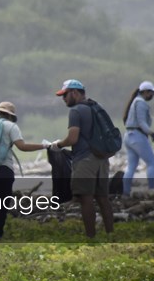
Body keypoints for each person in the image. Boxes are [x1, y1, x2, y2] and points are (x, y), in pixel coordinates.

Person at [0, 102, 47, 242]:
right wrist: (44, 145)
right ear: (11, 116)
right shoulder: (11, 126)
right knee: (0, 205)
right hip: (3, 171)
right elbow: (22, 147)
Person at [48, 79, 115, 238]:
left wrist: (57, 144)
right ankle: (111, 235)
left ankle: (91, 238)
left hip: (85, 160)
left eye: (65, 95)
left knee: (86, 199)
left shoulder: (76, 111)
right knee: (103, 199)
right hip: (101, 159)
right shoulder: (96, 107)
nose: (63, 99)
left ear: (75, 93)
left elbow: (72, 139)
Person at [122, 80, 154, 196]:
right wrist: (152, 133)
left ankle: (125, 193)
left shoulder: (135, 101)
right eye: (151, 93)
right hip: (137, 136)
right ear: (145, 92)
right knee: (152, 163)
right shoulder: (141, 103)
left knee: (131, 166)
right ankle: (151, 190)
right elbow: (141, 123)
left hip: (129, 136)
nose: (152, 95)